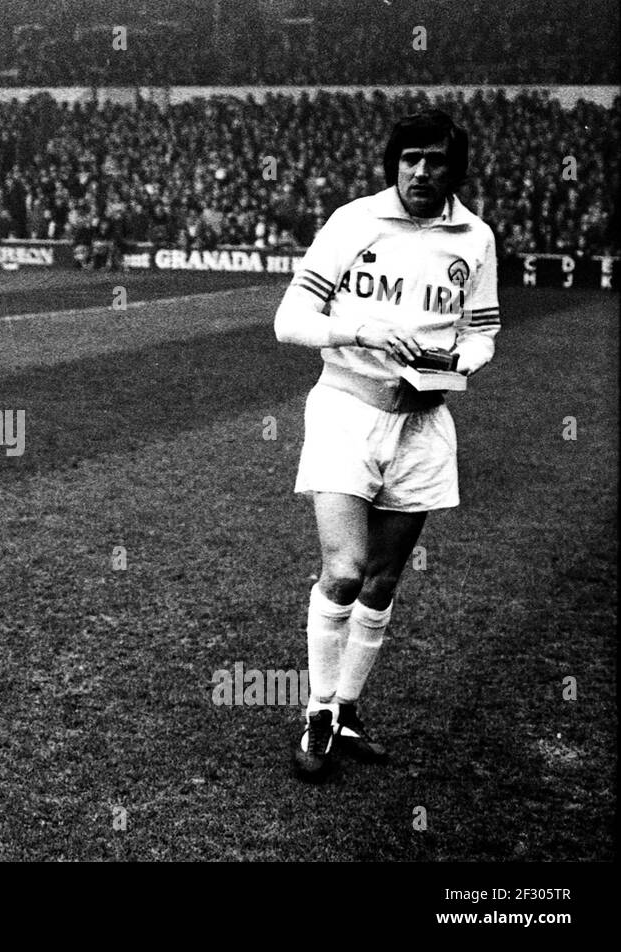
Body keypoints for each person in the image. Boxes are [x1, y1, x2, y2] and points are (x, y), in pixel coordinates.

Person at [273, 110, 500, 782]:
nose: (421, 172)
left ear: (453, 168)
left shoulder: (475, 237)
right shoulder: (355, 222)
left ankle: (347, 708)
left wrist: (459, 359)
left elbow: (485, 332)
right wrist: (364, 330)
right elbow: (291, 320)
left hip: (423, 424)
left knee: (382, 581)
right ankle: (316, 713)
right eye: (410, 159)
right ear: (393, 163)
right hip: (347, 409)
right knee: (343, 570)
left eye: (434, 160)